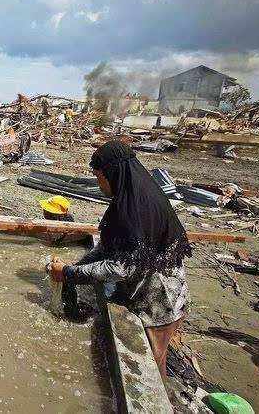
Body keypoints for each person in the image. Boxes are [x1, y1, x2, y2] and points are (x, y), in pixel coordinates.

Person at [46, 140, 191, 382]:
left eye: (98, 176)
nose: (98, 182)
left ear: (113, 174)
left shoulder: (137, 211)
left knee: (150, 372)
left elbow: (120, 267)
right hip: (148, 293)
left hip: (159, 305)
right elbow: (106, 249)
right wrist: (73, 268)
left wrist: (70, 274)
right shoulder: (129, 199)